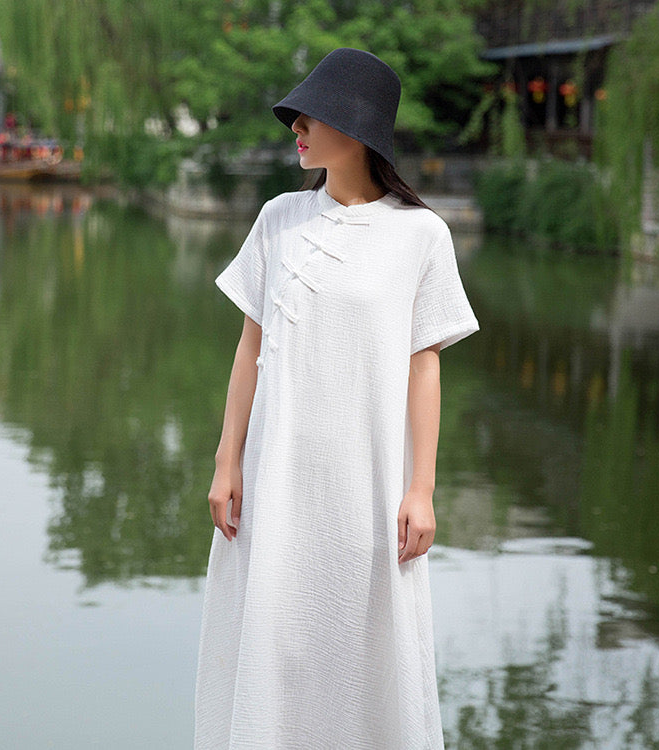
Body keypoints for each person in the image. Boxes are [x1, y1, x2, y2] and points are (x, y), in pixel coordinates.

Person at [195, 48, 479, 749]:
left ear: (355, 128)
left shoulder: (421, 235)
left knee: (363, 642)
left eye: (310, 116)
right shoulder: (278, 219)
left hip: (367, 483)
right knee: (273, 637)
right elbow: (248, 349)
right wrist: (227, 462)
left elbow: (424, 367)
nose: (295, 127)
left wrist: (422, 489)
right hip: (275, 475)